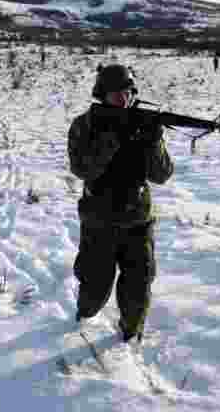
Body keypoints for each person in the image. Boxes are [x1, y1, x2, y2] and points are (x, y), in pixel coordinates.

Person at [67, 64, 174, 344]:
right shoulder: (85, 125)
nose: (123, 99)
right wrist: (114, 139)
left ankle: (130, 332)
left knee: (139, 284)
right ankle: (85, 315)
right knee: (95, 284)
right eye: (116, 94)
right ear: (102, 94)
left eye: (128, 93)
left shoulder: (143, 123)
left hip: (138, 218)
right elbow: (82, 169)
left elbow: (161, 175)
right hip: (99, 220)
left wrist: (154, 142)